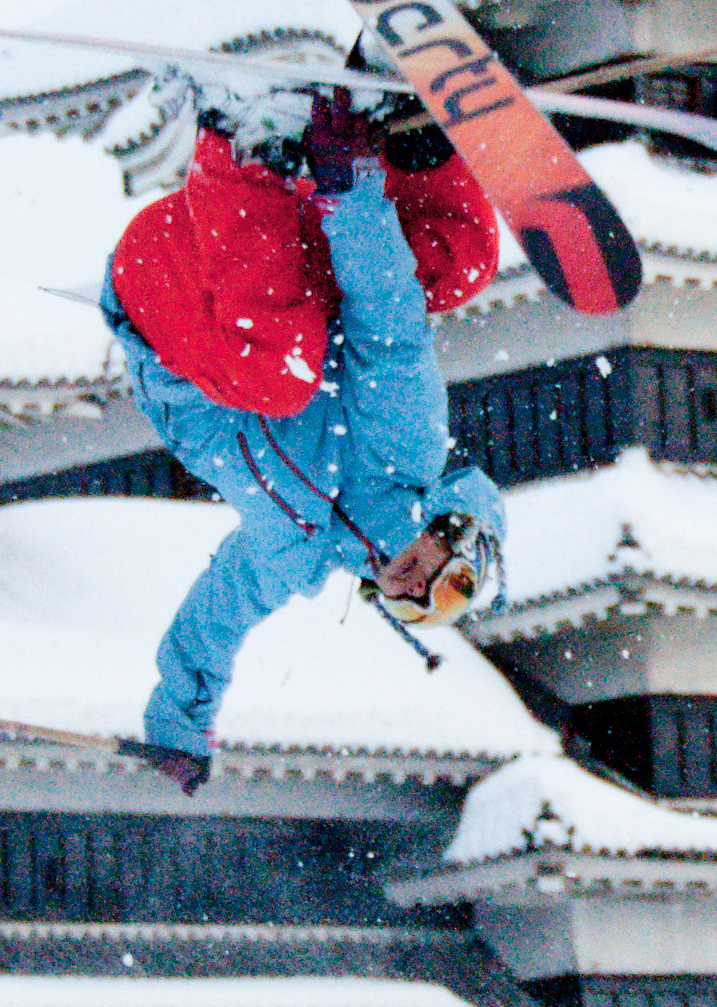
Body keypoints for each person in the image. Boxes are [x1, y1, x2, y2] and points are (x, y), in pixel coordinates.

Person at [103, 85, 505, 794]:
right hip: (252, 259)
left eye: (421, 609)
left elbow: (210, 628)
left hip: (167, 301)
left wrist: (178, 730)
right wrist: (352, 190)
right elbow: (387, 320)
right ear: (455, 534)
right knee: (458, 267)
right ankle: (408, 143)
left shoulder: (292, 555)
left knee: (278, 377)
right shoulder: (409, 450)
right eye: (448, 583)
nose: (419, 589)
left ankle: (239, 139)